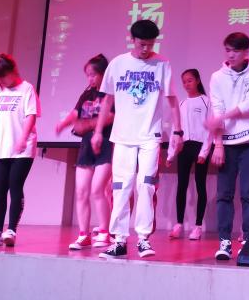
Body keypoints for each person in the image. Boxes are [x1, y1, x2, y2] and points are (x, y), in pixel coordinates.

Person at [92, 19, 183, 259]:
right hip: (123, 136)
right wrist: (99, 131)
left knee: (146, 185)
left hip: (150, 136)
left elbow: (172, 99)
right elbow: (107, 100)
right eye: (142, 44)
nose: (146, 49)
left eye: (150, 44)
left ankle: (143, 238)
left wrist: (178, 131)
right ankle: (119, 240)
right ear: (132, 40)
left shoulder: (162, 64)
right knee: (121, 187)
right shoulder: (117, 64)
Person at [206, 32, 249, 261]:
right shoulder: (217, 77)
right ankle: (224, 242)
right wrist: (218, 144)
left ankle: (248, 239)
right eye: (228, 50)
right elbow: (217, 108)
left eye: (236, 51)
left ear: (246, 52)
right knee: (224, 194)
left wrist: (221, 118)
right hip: (226, 143)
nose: (231, 55)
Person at [0, 53, 40, 247]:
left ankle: (11, 230)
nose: (1, 81)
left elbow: (31, 116)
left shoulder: (27, 89)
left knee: (15, 185)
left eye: (3, 76)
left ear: (13, 71)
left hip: (23, 148)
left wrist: (22, 139)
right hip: (2, 147)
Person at [55, 54, 114, 250]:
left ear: (103, 74)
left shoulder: (111, 93)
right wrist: (63, 124)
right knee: (81, 191)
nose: (90, 78)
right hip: (87, 146)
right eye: (87, 75)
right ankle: (83, 235)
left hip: (105, 144)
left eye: (93, 74)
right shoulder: (87, 94)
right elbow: (75, 113)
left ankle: (104, 232)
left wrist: (88, 125)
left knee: (98, 189)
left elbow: (111, 116)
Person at [169, 68, 213, 241]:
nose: (187, 84)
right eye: (184, 82)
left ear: (197, 81)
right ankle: (179, 224)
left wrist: (204, 152)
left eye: (190, 80)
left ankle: (198, 226)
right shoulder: (182, 104)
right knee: (182, 185)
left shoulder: (206, 102)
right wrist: (171, 154)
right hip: (184, 148)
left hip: (200, 147)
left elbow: (210, 129)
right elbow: (176, 129)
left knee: (200, 185)